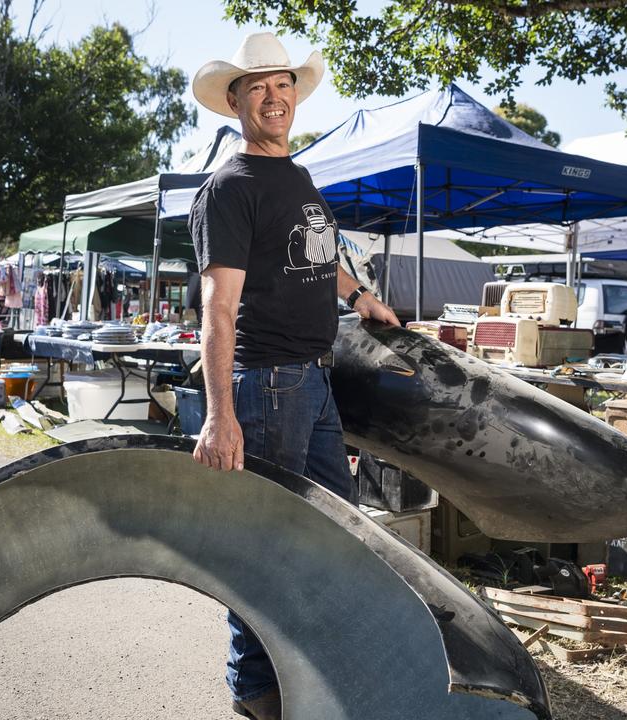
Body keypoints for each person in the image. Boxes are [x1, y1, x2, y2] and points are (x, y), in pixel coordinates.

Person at [187, 32, 399, 720]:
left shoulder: (298, 176)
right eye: (258, 88)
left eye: (283, 85)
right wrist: (221, 414)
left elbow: (310, 257)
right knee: (269, 544)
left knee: (330, 533)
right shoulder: (231, 186)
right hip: (266, 382)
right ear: (236, 102)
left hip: (313, 377)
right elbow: (218, 307)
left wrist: (357, 296)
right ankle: (256, 691)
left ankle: (304, 669)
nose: (274, 98)